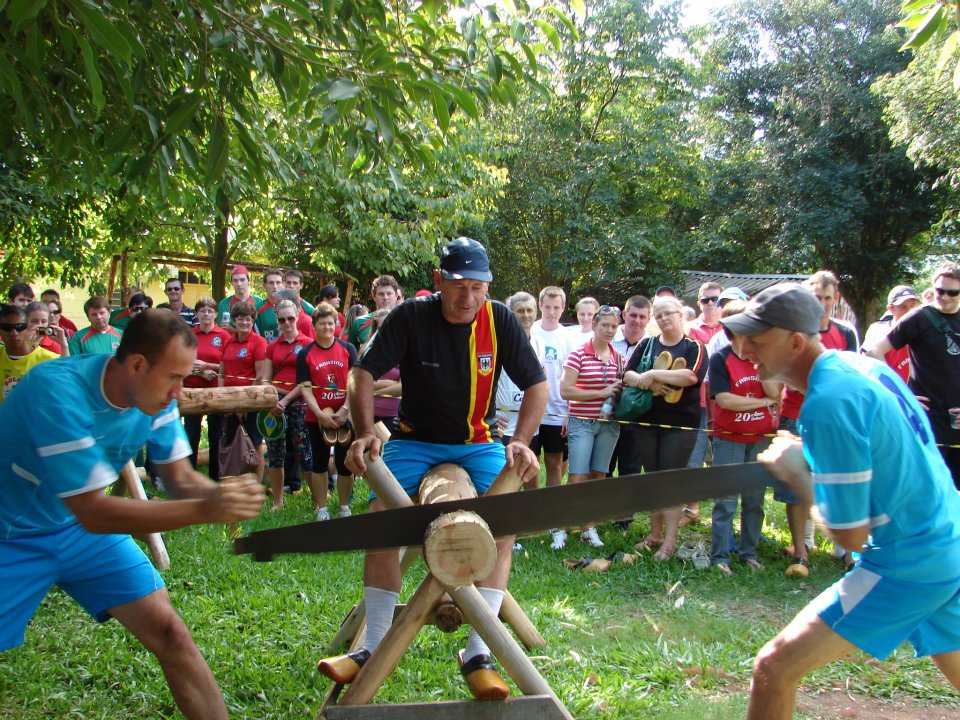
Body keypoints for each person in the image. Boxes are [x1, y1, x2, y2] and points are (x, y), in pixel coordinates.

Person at [0, 309, 264, 720]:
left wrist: (219, 493)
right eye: (174, 377)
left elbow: (179, 478)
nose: (180, 391)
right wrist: (202, 509)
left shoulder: (153, 394)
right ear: (138, 364)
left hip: (75, 530)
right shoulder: (56, 391)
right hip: (11, 533)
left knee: (171, 633)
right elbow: (94, 511)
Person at [716, 284, 960, 720]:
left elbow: (850, 534)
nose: (745, 348)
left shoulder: (829, 402)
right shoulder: (858, 367)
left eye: (757, 337)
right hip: (949, 537)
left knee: (774, 669)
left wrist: (797, 475)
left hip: (911, 558)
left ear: (795, 341)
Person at [319, 238, 546, 698]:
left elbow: (537, 385)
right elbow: (362, 374)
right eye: (458, 286)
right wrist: (365, 432)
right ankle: (373, 645)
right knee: (381, 525)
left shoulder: (500, 319)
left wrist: (521, 441)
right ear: (438, 281)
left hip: (478, 442)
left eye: (478, 287)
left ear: (488, 286)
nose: (468, 297)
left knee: (503, 530)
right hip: (413, 441)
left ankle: (479, 651)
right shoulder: (410, 316)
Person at [777, 270, 859, 576]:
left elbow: (850, 372)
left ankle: (849, 552)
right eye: (816, 297)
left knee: (842, 482)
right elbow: (785, 373)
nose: (822, 303)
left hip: (835, 419)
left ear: (836, 298)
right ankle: (801, 552)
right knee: (797, 486)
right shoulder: (789, 331)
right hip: (796, 415)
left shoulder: (846, 332)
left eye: (827, 298)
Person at [622, 295, 706, 562]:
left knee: (670, 482)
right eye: (658, 315)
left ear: (680, 314)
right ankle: (654, 534)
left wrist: (653, 375)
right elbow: (628, 375)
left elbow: (690, 377)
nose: (664, 319)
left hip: (680, 426)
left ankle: (669, 542)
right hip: (646, 422)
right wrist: (646, 381)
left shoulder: (694, 346)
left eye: (668, 313)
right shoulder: (647, 344)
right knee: (653, 479)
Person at [868, 262, 960, 487]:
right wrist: (898, 394)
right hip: (926, 421)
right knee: (927, 490)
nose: (945, 297)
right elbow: (873, 351)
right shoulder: (920, 318)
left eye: (952, 292)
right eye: (940, 291)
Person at [707, 299, 780, 573]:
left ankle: (748, 554)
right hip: (729, 438)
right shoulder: (721, 358)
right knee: (725, 501)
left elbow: (775, 391)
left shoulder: (763, 357)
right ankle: (720, 557)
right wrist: (762, 404)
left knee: (755, 501)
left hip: (760, 439)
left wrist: (760, 359)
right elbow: (725, 400)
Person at [559, 305, 624, 548]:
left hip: (609, 426)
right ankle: (561, 527)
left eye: (614, 326)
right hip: (583, 422)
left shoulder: (620, 358)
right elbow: (566, 390)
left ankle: (589, 528)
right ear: (594, 325)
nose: (609, 330)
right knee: (577, 476)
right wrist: (602, 392)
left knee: (599, 476)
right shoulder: (578, 354)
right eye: (605, 325)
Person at [297, 302, 358, 520]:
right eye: (323, 324)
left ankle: (344, 507)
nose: (327, 327)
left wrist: (345, 410)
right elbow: (305, 389)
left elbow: (355, 383)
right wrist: (321, 415)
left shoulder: (348, 349)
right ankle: (322, 508)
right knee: (320, 462)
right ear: (314, 326)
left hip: (344, 415)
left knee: (344, 463)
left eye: (331, 323)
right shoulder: (305, 354)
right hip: (317, 418)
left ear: (337, 325)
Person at [531, 286, 573, 549]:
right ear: (540, 306)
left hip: (558, 411)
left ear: (563, 308)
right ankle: (532, 513)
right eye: (548, 306)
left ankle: (554, 515)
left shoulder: (567, 337)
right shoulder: (531, 332)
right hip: (532, 410)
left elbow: (571, 375)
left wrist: (570, 411)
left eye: (557, 307)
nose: (552, 312)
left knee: (554, 463)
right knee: (529, 463)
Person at [262, 300, 313, 510]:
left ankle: (318, 499)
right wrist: (273, 400)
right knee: (275, 453)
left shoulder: (309, 343)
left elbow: (306, 382)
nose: (286, 323)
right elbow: (266, 378)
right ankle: (278, 501)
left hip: (299, 402)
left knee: (303, 452)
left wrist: (285, 400)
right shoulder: (272, 346)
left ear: (298, 315)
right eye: (282, 319)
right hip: (274, 403)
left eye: (290, 318)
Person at [682, 281, 726, 526]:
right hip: (698, 404)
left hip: (726, 405)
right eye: (705, 300)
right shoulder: (690, 330)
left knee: (724, 461)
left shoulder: (729, 328)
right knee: (694, 458)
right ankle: (692, 509)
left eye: (715, 299)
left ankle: (726, 514)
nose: (710, 304)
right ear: (698, 303)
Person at [494, 292, 544, 490]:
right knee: (505, 479)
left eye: (530, 310)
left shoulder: (540, 342)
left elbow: (541, 381)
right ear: (510, 313)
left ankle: (534, 518)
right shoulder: (498, 341)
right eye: (520, 311)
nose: (526, 315)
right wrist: (490, 414)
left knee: (531, 474)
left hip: (529, 421)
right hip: (503, 422)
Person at [219, 301, 267, 482]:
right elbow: (222, 374)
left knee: (254, 445)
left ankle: (256, 486)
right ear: (234, 320)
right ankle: (234, 482)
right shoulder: (228, 342)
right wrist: (222, 400)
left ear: (253, 320)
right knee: (230, 444)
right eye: (240, 319)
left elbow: (260, 376)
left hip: (251, 404)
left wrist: (245, 405)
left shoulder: (258, 342)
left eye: (248, 319)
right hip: (228, 405)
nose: (244, 323)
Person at [183, 297, 230, 479]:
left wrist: (208, 367)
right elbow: (182, 362)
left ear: (216, 314)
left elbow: (228, 366)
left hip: (215, 391)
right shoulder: (189, 335)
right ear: (197, 314)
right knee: (191, 434)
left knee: (216, 434)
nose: (206, 315)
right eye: (202, 311)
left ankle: (215, 476)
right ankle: (189, 476)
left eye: (210, 311)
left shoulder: (223, 336)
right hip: (192, 391)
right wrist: (199, 373)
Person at [0, 303, 59, 404]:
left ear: (28, 328)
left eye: (20, 327)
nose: (14, 333)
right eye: (7, 327)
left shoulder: (50, 360)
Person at [861, 285, 919, 383]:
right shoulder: (877, 330)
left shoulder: (924, 331)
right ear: (890, 309)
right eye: (903, 307)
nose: (909, 311)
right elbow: (865, 364)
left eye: (912, 305)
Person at [346, 275, 401, 348]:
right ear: (373, 296)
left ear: (396, 295)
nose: (385, 297)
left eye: (389, 293)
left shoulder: (406, 321)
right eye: (381, 294)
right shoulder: (359, 323)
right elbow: (351, 354)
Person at [218, 264, 263, 330]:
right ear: (232, 283)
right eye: (235, 281)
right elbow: (223, 330)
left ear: (248, 281)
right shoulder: (224, 304)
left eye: (242, 280)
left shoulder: (259, 302)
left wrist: (231, 329)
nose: (239, 284)